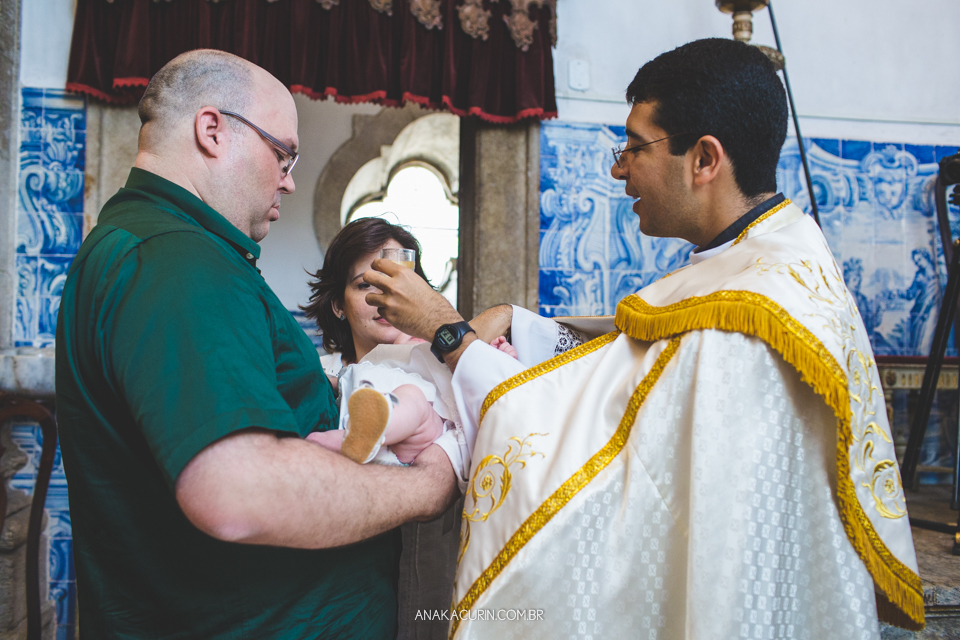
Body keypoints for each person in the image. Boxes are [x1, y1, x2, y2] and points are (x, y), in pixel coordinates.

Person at [361, 39, 924, 639]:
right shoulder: (770, 257)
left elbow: (589, 469)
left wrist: (446, 331)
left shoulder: (744, 326)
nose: (618, 166)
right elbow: (635, 374)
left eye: (634, 146)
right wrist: (519, 323)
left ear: (704, 159)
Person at [54, 50, 456, 639]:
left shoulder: (155, 245)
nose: (291, 179)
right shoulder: (177, 260)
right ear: (212, 130)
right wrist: (428, 486)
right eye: (283, 153)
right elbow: (236, 491)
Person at [300, 217, 512, 640]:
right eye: (366, 285)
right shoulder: (321, 381)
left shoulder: (444, 361)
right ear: (338, 304)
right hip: (349, 583)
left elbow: (507, 412)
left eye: (397, 281)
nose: (385, 297)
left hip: (439, 558)